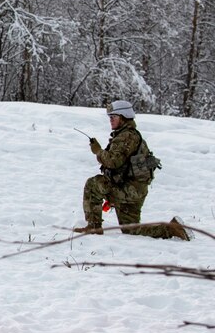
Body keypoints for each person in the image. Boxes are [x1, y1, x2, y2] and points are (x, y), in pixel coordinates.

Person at [76, 100, 189, 240]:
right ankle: (171, 229)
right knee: (132, 230)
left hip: (128, 190)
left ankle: (93, 227)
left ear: (123, 117)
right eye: (110, 117)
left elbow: (113, 162)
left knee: (93, 184)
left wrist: (98, 151)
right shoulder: (130, 135)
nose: (110, 120)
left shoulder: (126, 136)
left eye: (113, 117)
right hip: (134, 190)